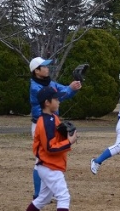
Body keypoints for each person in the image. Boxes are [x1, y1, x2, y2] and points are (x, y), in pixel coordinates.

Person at [11, 86, 85, 211]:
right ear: (47, 102)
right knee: (63, 196)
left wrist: (65, 134)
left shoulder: (52, 118)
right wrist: (69, 141)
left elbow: (55, 138)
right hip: (49, 166)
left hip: (48, 165)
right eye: (56, 99)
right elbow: (50, 148)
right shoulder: (45, 122)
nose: (59, 101)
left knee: (43, 198)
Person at [29, 57, 82, 199]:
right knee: (41, 160)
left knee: (50, 159)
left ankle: (44, 193)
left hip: (50, 123)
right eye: (44, 66)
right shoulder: (35, 87)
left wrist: (73, 87)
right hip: (40, 124)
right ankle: (38, 194)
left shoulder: (48, 83)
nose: (47, 68)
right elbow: (56, 97)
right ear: (36, 71)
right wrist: (70, 88)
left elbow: (62, 91)